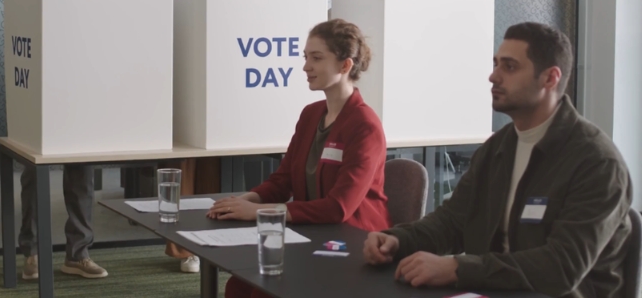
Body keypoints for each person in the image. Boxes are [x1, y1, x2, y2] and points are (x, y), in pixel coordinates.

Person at [363, 22, 632, 298]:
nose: (493, 76)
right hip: (490, 290)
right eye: (496, 64)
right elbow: (453, 221)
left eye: (510, 67)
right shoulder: (499, 147)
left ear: (550, 78)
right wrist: (398, 239)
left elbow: (561, 268)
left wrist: (458, 268)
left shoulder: (597, 163)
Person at [213, 18, 392, 298]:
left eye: (316, 58)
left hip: (354, 240)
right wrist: (245, 201)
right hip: (312, 233)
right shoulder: (311, 114)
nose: (306, 66)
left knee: (264, 292)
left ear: (345, 65)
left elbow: (338, 208)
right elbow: (282, 181)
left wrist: (262, 212)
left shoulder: (364, 125)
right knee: (239, 286)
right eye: (306, 57)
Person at [19, 0, 109, 281]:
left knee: (81, 181)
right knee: (34, 180)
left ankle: (77, 255)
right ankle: (32, 253)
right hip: (42, 99)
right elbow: (22, 42)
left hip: (82, 97)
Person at [163, 0, 221, 273]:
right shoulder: (167, 10)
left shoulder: (216, 12)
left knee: (209, 177)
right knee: (179, 174)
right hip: (178, 104)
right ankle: (180, 247)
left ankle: (204, 245)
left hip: (209, 106)